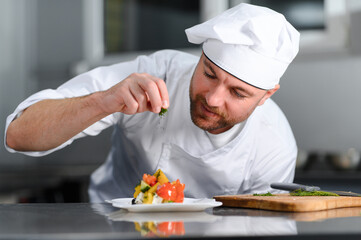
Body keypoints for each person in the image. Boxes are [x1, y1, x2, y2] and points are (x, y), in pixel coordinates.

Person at [5, 3, 300, 202]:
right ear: (199, 59)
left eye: (238, 93)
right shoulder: (156, 74)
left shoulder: (274, 146)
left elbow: (262, 227)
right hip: (109, 223)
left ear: (266, 96)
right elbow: (18, 135)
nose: (212, 98)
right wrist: (104, 101)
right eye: (209, 73)